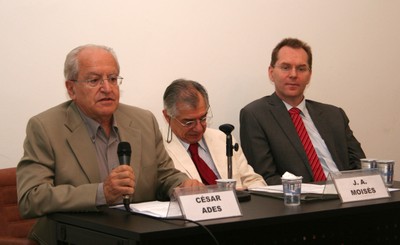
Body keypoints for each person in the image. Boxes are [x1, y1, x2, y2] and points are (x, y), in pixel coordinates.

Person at [16, 44, 202, 244]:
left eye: (113, 79)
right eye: (94, 80)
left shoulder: (143, 121)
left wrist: (182, 184)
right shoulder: (46, 127)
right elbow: (31, 198)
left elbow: (164, 174)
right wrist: (101, 193)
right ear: (71, 88)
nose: (107, 88)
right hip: (74, 238)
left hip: (137, 236)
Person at [239, 38, 366, 185]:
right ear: (271, 73)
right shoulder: (255, 115)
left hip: (347, 195)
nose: (293, 75)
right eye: (285, 67)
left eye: (301, 68)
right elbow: (264, 178)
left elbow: (361, 166)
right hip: (302, 201)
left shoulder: (334, 114)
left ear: (309, 75)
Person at [162, 79, 267, 190]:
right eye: (189, 122)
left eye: (203, 118)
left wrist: (245, 193)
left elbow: (253, 180)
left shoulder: (222, 138)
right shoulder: (157, 149)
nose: (198, 128)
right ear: (167, 117)